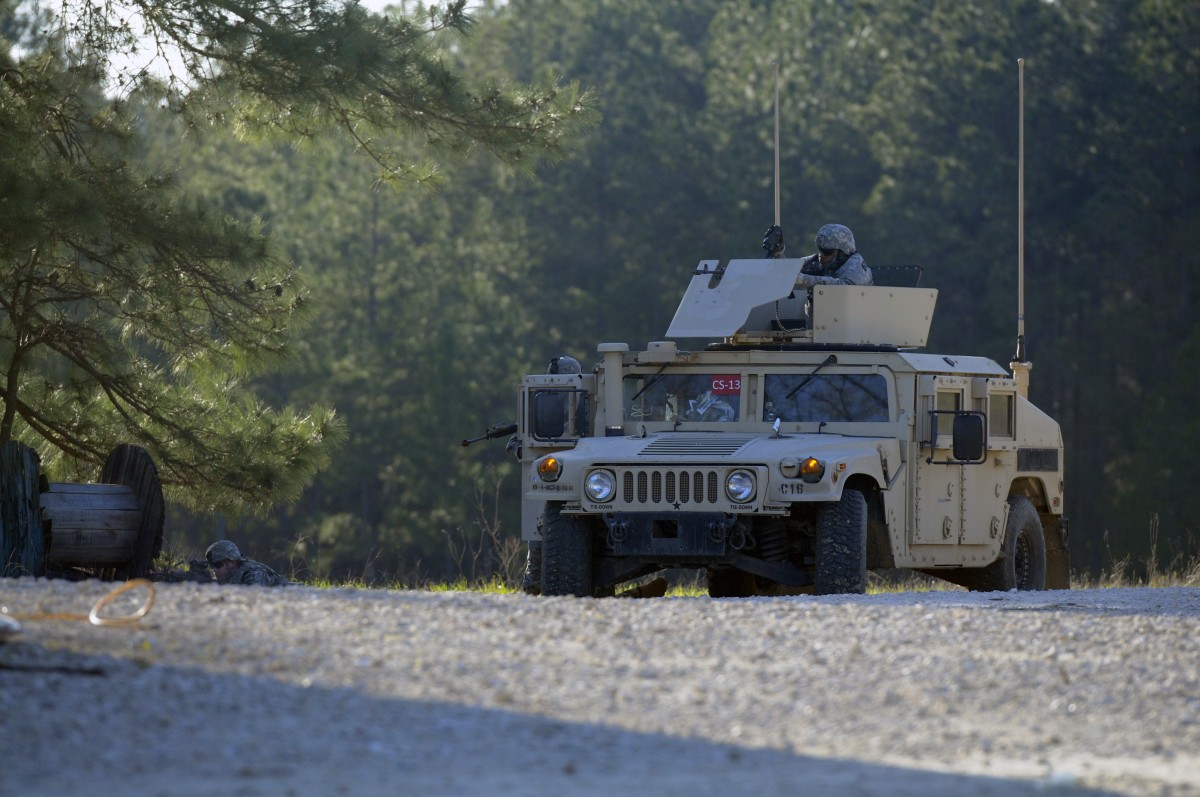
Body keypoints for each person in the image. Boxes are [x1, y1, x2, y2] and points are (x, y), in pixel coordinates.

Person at [794, 223, 874, 287]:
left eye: (827, 252)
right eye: (820, 250)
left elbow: (841, 287)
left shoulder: (856, 270)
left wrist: (802, 279)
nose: (821, 256)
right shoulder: (834, 259)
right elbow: (795, 264)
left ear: (842, 252)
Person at [205, 540, 290, 586]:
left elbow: (252, 601)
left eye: (218, 565)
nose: (214, 570)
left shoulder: (254, 573)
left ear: (233, 562)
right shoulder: (229, 575)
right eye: (211, 566)